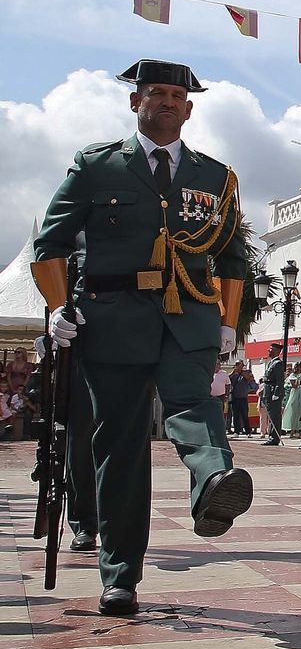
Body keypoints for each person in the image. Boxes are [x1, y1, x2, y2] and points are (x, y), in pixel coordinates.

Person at [33, 58, 254, 617]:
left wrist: (230, 322)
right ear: (136, 103)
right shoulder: (97, 165)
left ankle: (214, 482)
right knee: (120, 446)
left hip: (191, 318)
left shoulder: (216, 177)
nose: (167, 102)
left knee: (193, 403)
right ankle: (120, 575)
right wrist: (58, 306)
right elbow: (52, 243)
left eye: (177, 96)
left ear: (190, 109)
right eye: (155, 94)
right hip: (112, 319)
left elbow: (230, 258)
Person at [259, 343, 285, 445]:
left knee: (274, 416)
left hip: (273, 391)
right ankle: (271, 436)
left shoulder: (277, 363)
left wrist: (277, 393)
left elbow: (279, 381)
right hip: (268, 390)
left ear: (277, 351)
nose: (269, 351)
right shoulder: (271, 363)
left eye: (271, 349)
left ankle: (274, 438)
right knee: (270, 415)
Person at [282, 361, 301, 437]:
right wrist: (299, 379)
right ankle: (292, 430)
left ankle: (300, 431)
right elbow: (294, 386)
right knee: (293, 412)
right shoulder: (292, 375)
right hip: (295, 394)